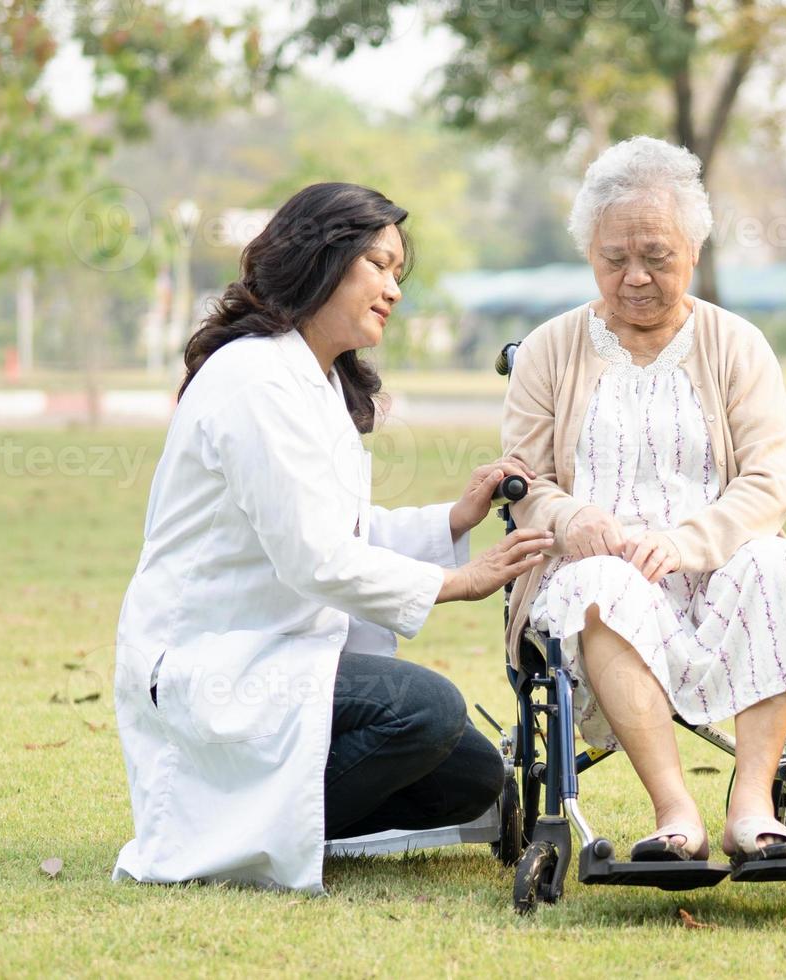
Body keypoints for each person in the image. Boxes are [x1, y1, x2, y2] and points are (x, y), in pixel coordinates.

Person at [112, 183, 552, 893]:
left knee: (473, 777)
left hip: (277, 654)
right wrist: (455, 582)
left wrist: (454, 519)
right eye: (378, 264)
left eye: (396, 271)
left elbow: (344, 532)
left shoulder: (310, 378)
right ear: (322, 258)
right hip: (216, 661)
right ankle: (222, 833)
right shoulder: (257, 379)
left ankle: (262, 819)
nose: (393, 290)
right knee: (424, 708)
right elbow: (314, 556)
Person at [501, 137, 786, 865]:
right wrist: (570, 517)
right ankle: (674, 810)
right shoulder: (549, 351)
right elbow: (524, 484)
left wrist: (687, 542)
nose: (634, 277)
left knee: (777, 564)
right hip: (596, 572)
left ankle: (750, 807)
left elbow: (765, 482)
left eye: (656, 255)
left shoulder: (738, 345)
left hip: (714, 568)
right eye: (614, 257)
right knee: (599, 586)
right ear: (589, 251)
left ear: (694, 247)